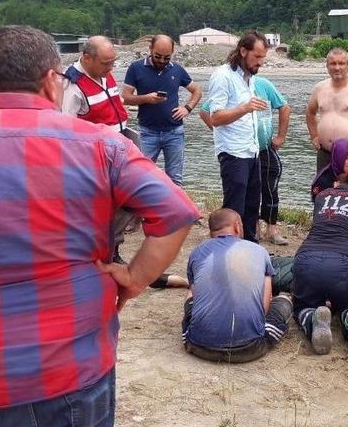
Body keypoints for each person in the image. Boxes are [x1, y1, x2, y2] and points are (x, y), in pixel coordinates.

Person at [0, 24, 200, 427]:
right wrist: (134, 278)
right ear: (52, 81)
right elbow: (176, 212)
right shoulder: (101, 145)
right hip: (76, 365)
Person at [62, 35, 137, 265]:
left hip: (121, 145)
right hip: (96, 155)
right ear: (87, 58)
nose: (111, 67)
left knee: (129, 200)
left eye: (113, 62)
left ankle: (112, 247)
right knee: (101, 205)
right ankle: (99, 251)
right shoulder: (72, 85)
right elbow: (65, 128)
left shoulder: (104, 73)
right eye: (106, 63)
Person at [182, 209, 292, 363]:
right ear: (237, 226)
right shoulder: (260, 251)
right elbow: (264, 306)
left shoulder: (197, 252)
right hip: (248, 348)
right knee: (283, 302)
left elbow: (197, 296)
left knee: (191, 299)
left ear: (211, 231)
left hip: (198, 345)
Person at [200, 75, 291, 245]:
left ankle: (272, 229)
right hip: (239, 150)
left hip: (263, 147)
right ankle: (246, 231)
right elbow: (205, 111)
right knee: (242, 191)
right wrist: (219, 132)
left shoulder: (263, 84)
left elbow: (284, 107)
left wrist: (281, 136)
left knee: (270, 188)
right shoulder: (229, 85)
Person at [293, 171, 348, 355]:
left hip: (308, 259)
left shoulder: (321, 195)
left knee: (303, 305)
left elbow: (320, 224)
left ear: (336, 184)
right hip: (344, 263)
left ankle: (313, 319)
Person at [206, 30, 269, 243]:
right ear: (243, 51)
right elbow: (215, 117)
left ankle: (251, 249)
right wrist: (245, 108)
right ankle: (228, 251)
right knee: (234, 207)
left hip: (251, 150)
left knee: (252, 205)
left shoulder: (248, 76)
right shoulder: (223, 76)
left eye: (263, 58)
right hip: (232, 152)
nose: (260, 62)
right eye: (257, 57)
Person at [121, 34, 202, 186]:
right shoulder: (136, 68)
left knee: (175, 179)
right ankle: (142, 209)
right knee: (141, 177)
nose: (162, 61)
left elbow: (197, 91)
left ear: (172, 53)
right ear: (150, 49)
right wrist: (146, 98)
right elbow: (125, 98)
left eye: (167, 58)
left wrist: (187, 108)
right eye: (158, 56)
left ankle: (175, 209)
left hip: (175, 132)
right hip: (147, 133)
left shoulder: (177, 70)